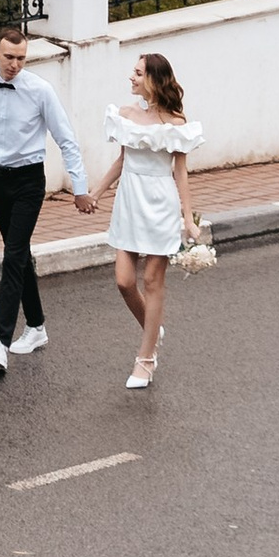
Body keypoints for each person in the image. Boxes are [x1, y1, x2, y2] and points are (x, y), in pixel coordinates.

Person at [0, 25, 94, 374]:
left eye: (21, 58)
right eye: (9, 57)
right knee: (19, 255)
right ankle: (36, 327)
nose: (15, 65)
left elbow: (67, 139)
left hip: (29, 180)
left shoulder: (40, 90)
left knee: (12, 255)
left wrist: (79, 187)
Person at [99, 47, 200, 390]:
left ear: (154, 81)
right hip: (129, 202)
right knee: (124, 281)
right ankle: (153, 328)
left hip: (160, 204)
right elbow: (121, 160)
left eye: (139, 73)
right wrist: (95, 193)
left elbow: (181, 173)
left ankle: (145, 359)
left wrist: (188, 218)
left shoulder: (176, 123)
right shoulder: (125, 114)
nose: (132, 76)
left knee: (153, 282)